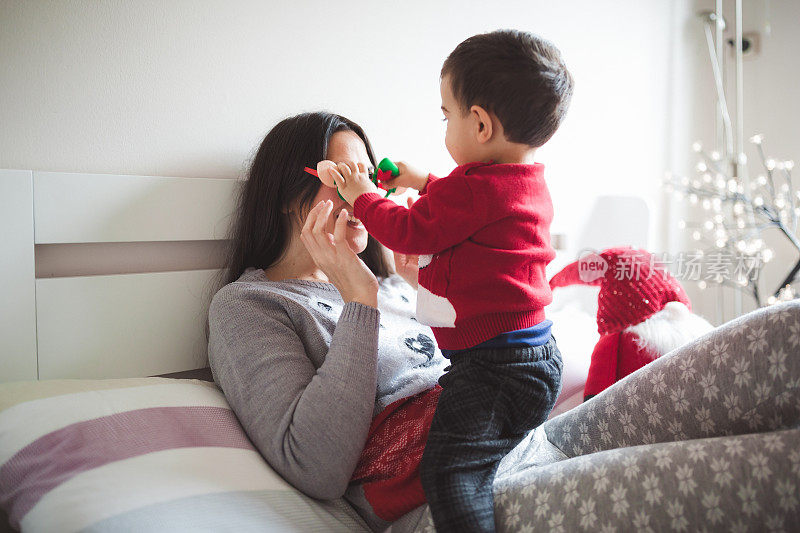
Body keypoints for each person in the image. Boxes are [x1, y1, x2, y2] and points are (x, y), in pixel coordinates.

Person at [208, 111, 800, 533]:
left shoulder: (393, 283)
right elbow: (312, 466)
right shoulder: (253, 307)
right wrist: (359, 300)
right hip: (450, 491)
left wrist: (428, 285)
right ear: (293, 196)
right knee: (768, 472)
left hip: (522, 427)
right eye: (345, 178)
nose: (367, 193)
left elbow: (473, 345)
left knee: (780, 333)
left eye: (370, 176)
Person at [326, 30, 572, 532]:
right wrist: (421, 182)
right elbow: (472, 210)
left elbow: (408, 229)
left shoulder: (471, 191)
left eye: (447, 114)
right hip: (534, 357)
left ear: (479, 123)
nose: (445, 125)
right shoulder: (526, 182)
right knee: (488, 460)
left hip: (490, 367)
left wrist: (363, 194)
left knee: (451, 472)